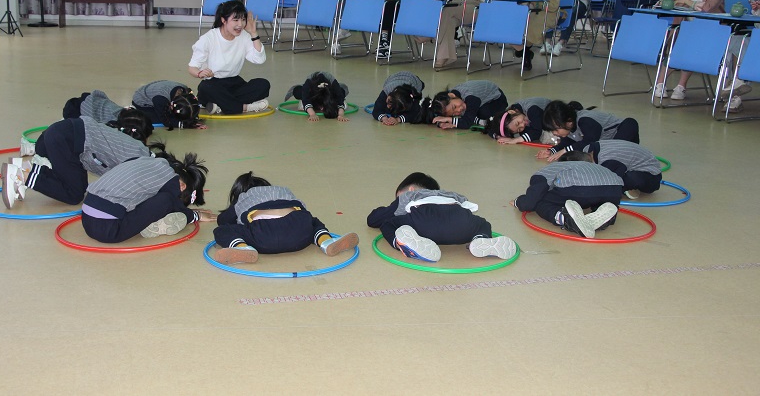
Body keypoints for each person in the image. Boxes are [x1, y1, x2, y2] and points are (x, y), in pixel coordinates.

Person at [1, 116, 158, 209]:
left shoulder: (142, 154)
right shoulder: (138, 160)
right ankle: (23, 175)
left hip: (63, 132)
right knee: (74, 194)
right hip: (64, 141)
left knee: (75, 181)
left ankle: (27, 166)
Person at [212, 172, 359, 264]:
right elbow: (303, 209)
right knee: (313, 222)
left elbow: (223, 221)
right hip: (299, 229)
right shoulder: (282, 190)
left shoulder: (243, 198)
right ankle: (326, 241)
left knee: (223, 230)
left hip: (263, 235)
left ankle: (242, 248)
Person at [367, 172, 516, 262]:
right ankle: (480, 240)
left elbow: (374, 220)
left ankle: (402, 243)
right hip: (460, 221)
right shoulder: (450, 194)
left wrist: (390, 209)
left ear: (409, 190)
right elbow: (468, 208)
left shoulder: (411, 195)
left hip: (424, 221)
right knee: (483, 224)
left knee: (388, 224)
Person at [80, 151, 215, 243]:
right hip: (109, 229)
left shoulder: (146, 161)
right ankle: (154, 225)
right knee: (166, 201)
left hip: (86, 217)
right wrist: (194, 216)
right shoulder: (173, 180)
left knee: (150, 197)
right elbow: (171, 202)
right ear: (182, 186)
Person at [654, 0, 728, 100]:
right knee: (675, 49)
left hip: (709, 28)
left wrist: (687, 2)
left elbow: (708, 7)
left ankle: (681, 86)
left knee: (690, 50)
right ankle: (660, 83)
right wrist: (665, 1)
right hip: (684, 25)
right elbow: (668, 0)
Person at [188, 0, 270, 115]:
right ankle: (244, 107)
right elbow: (192, 67)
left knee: (263, 84)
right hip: (213, 83)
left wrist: (253, 33)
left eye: (243, 19)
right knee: (206, 88)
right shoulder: (208, 39)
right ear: (223, 20)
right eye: (235, 20)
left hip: (234, 82)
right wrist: (199, 73)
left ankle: (221, 105)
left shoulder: (244, 36)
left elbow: (259, 59)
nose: (240, 24)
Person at [512, 160, 623, 239]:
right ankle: (604, 217)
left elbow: (531, 200)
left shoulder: (547, 170)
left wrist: (519, 202)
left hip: (579, 187)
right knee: (598, 201)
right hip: (615, 187)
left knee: (540, 201)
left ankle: (565, 219)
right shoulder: (592, 166)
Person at [537, 100, 640, 162]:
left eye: (556, 129)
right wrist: (552, 151)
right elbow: (568, 142)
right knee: (607, 155)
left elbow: (590, 141)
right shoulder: (570, 129)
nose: (554, 133)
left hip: (624, 131)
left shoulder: (584, 120)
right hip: (609, 146)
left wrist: (564, 151)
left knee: (629, 126)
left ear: (568, 122)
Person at [565, 140, 663, 199]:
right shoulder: (587, 149)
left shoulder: (607, 161)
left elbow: (612, 181)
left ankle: (630, 188)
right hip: (631, 163)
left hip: (652, 175)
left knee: (621, 181)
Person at [421, 80, 507, 130]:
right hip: (483, 102)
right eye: (454, 114)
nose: (458, 111)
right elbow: (437, 117)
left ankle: (476, 118)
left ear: (452, 95)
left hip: (497, 98)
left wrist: (449, 119)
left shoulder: (471, 98)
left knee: (483, 113)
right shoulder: (453, 99)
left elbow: (467, 124)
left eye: (455, 107)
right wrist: (440, 123)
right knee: (469, 114)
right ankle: (475, 119)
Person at [132, 80, 204, 130]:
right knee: (155, 119)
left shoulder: (185, 90)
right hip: (142, 102)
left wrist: (194, 119)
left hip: (156, 93)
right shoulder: (160, 100)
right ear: (172, 106)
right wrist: (185, 125)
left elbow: (190, 105)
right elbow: (166, 120)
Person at [284, 71, 350, 122]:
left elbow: (340, 98)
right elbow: (305, 98)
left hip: (331, 90)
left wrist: (341, 114)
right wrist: (312, 114)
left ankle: (323, 103)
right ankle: (308, 104)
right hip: (311, 91)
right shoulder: (309, 84)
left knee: (342, 91)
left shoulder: (334, 86)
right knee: (298, 92)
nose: (321, 110)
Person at [487, 97, 553, 144]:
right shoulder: (511, 114)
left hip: (551, 115)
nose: (522, 125)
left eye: (518, 123)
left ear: (512, 112)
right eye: (518, 129)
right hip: (538, 122)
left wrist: (516, 140)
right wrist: (498, 137)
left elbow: (537, 132)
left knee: (536, 134)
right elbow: (490, 129)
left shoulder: (532, 109)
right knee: (525, 132)